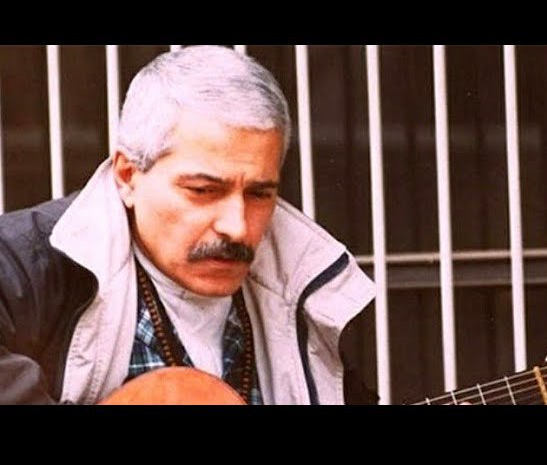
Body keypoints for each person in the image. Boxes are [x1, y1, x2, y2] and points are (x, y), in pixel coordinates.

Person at [0, 45, 377, 405]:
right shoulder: (22, 267)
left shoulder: (307, 288)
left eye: (259, 194)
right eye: (203, 190)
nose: (237, 227)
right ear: (128, 176)